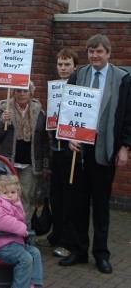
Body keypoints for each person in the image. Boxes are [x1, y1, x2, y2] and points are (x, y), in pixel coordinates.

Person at [59, 34, 131, 274]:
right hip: (80, 149)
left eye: (99, 51)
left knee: (100, 205)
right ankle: (79, 250)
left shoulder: (122, 79)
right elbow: (67, 108)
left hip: (106, 148)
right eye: (91, 51)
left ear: (108, 53)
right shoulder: (78, 75)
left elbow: (128, 116)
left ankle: (101, 253)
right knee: (79, 203)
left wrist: (124, 147)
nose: (94, 55)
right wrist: (68, 137)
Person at [0, 82, 49, 223]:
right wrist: (2, 123)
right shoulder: (4, 108)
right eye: (18, 90)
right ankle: (7, 228)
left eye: (25, 91)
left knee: (26, 198)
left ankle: (24, 231)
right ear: (13, 92)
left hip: (30, 164)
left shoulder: (39, 111)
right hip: (8, 162)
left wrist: (45, 165)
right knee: (6, 197)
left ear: (31, 93)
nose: (22, 94)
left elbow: (44, 141)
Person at [45, 49, 78, 258]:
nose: (63, 68)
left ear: (75, 66)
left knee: (69, 198)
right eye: (60, 64)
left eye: (67, 64)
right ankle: (56, 234)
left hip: (70, 151)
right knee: (55, 196)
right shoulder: (54, 87)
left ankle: (67, 240)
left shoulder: (78, 88)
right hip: (54, 150)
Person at [0, 175, 43, 288]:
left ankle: (34, 284)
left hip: (16, 243)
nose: (10, 195)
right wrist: (22, 228)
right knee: (25, 259)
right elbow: (2, 221)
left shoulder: (16, 204)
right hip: (2, 245)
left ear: (18, 192)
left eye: (13, 192)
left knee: (35, 252)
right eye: (5, 193)